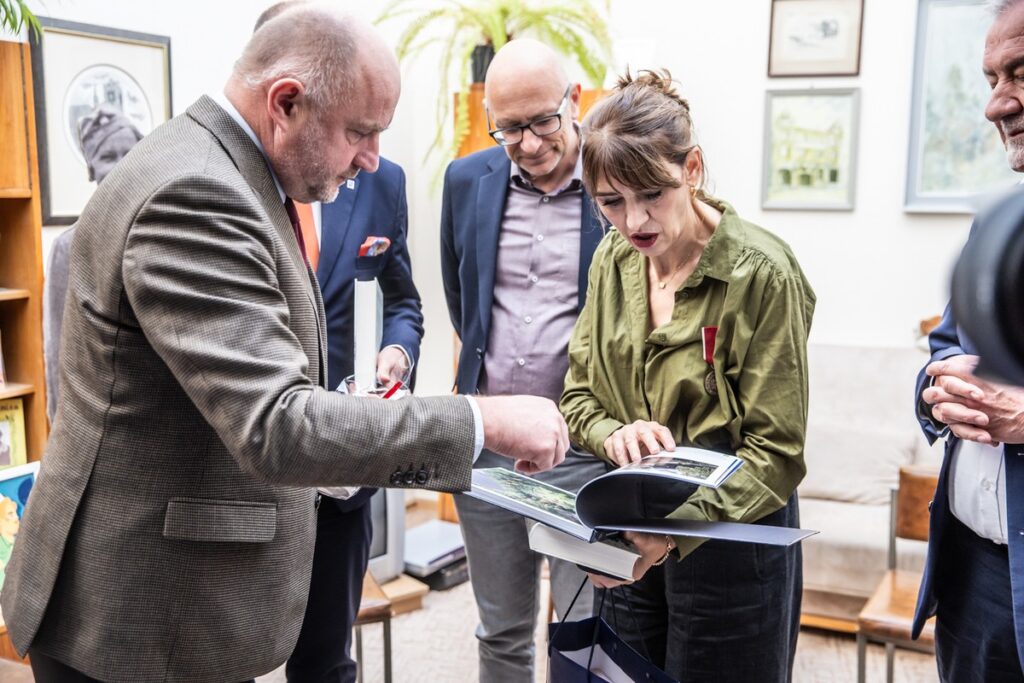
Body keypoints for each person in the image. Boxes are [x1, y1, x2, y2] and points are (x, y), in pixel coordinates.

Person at [1, 5, 568, 682]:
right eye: (360, 131)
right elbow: (274, 422)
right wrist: (485, 417)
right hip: (135, 616)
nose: (371, 158)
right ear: (286, 102)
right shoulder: (196, 192)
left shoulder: (222, 167)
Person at [560, 70, 815, 682]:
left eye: (652, 193)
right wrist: (613, 435)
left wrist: (672, 536)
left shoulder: (762, 274)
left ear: (692, 168)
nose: (634, 221)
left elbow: (776, 454)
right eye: (611, 202)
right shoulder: (612, 261)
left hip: (734, 543)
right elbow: (579, 398)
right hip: (628, 528)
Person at [245, 6, 423, 682]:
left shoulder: (382, 180)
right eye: (358, 128)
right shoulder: (228, 185)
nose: (368, 150)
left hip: (346, 473)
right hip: (253, 472)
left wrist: (398, 353)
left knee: (325, 662)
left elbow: (404, 298)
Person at [440, 38, 608, 681]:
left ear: (574, 101)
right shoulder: (465, 181)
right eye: (509, 129)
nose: (530, 144)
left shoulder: (613, 182)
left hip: (583, 448)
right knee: (500, 627)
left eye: (542, 122)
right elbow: (462, 301)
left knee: (580, 628)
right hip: (487, 444)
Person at [914, 2, 1024, 680]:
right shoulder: (999, 223)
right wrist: (939, 388)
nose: (994, 106)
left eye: (1019, 73)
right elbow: (943, 346)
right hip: (971, 579)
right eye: (990, 79)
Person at [44, 105, 144, 421]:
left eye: (127, 154)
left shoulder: (164, 232)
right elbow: (59, 353)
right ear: (91, 170)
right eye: (107, 158)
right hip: (100, 419)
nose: (118, 167)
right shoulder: (69, 246)